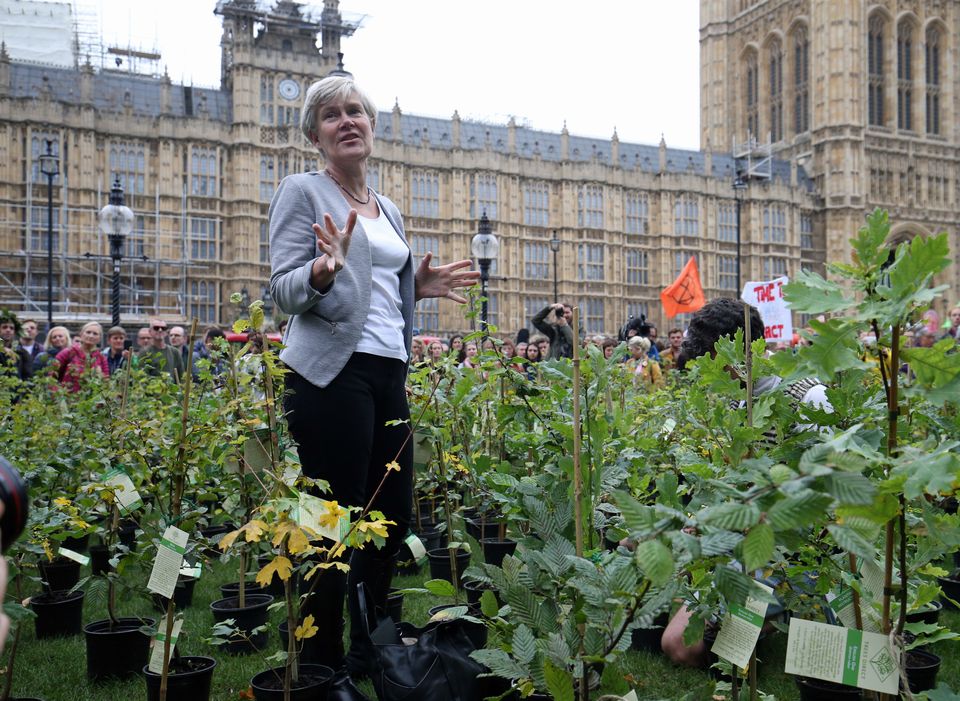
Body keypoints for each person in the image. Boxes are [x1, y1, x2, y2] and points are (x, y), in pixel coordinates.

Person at [268, 74, 479, 700]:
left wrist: (418, 287)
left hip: (389, 370)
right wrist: (320, 271)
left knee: (389, 515)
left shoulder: (388, 208)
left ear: (373, 125)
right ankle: (321, 659)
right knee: (335, 516)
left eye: (356, 110)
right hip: (331, 372)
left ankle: (366, 646)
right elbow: (282, 289)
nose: (347, 121)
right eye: (332, 115)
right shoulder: (301, 191)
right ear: (315, 135)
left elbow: (379, 292)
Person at [661, 298, 830, 666]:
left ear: (745, 350)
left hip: (793, 555)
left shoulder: (809, 398)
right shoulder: (734, 403)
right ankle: (736, 622)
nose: (708, 375)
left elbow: (835, 496)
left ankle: (773, 618)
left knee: (680, 647)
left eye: (714, 363)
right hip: (738, 544)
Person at [53, 321, 108, 392]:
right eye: (88, 332)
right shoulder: (68, 352)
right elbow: (51, 374)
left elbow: (106, 381)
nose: (91, 336)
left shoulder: (101, 357)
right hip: (68, 399)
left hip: (92, 400)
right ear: (81, 334)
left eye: (95, 334)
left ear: (99, 338)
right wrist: (56, 393)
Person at [0, 311, 31, 380]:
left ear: (14, 332)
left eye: (11, 328)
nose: (8, 330)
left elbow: (27, 377)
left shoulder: (22, 353)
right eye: (4, 327)